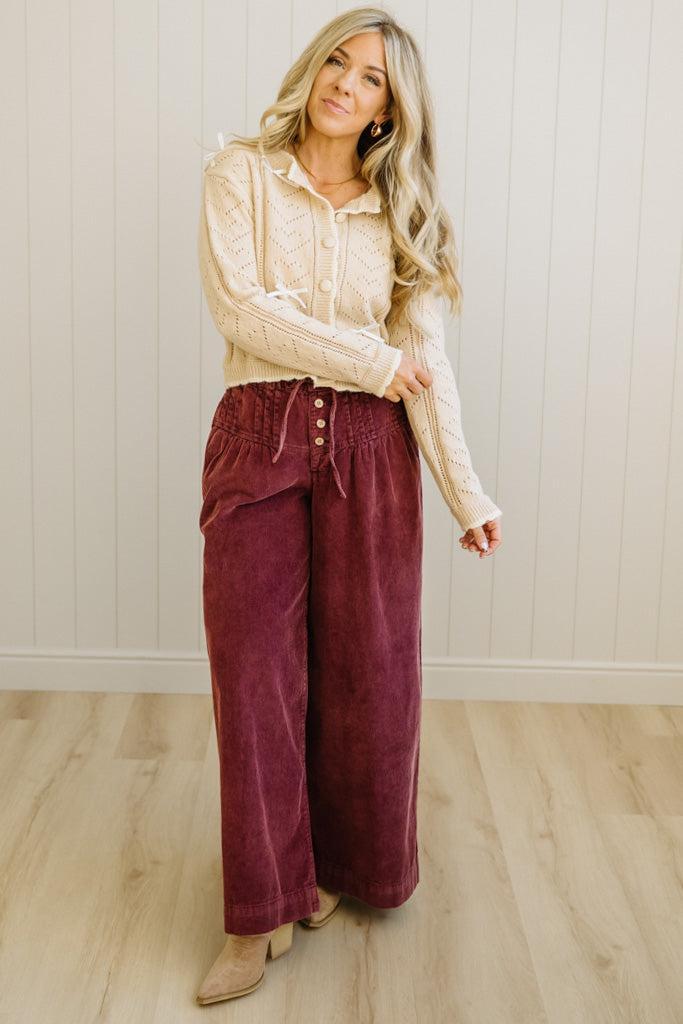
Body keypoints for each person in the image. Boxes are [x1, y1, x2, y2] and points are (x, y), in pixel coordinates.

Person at [195, 6, 503, 1005]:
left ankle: (342, 871)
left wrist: (465, 490)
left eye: (370, 78)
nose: (344, 83)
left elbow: (431, 370)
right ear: (312, 67)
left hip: (373, 454)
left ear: (388, 108)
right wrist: (375, 363)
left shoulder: (399, 210)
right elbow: (244, 310)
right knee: (254, 684)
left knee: (370, 675)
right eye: (338, 60)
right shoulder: (238, 172)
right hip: (260, 435)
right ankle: (257, 913)